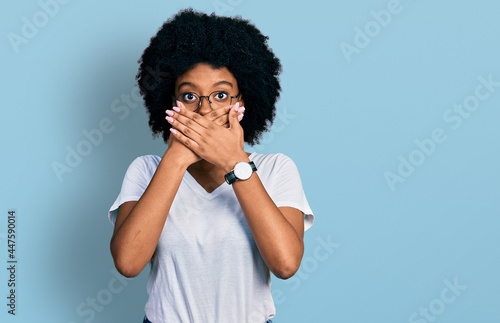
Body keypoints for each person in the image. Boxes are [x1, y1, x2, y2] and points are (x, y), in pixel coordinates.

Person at [108, 8, 314, 323]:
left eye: (220, 94)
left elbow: (285, 264)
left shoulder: (276, 169)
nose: (205, 111)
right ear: (170, 103)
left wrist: (235, 162)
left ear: (242, 102)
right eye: (189, 96)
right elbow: (128, 263)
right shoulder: (146, 170)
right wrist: (175, 160)